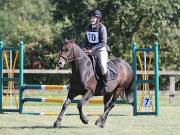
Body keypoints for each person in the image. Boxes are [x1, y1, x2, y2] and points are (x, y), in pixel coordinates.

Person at [82, 9, 109, 93]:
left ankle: (106, 85)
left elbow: (103, 42)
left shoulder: (102, 28)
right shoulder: (88, 27)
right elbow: (86, 41)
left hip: (101, 50)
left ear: (98, 19)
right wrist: (84, 48)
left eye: (94, 17)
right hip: (90, 50)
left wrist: (92, 50)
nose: (92, 19)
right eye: (91, 17)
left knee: (103, 67)